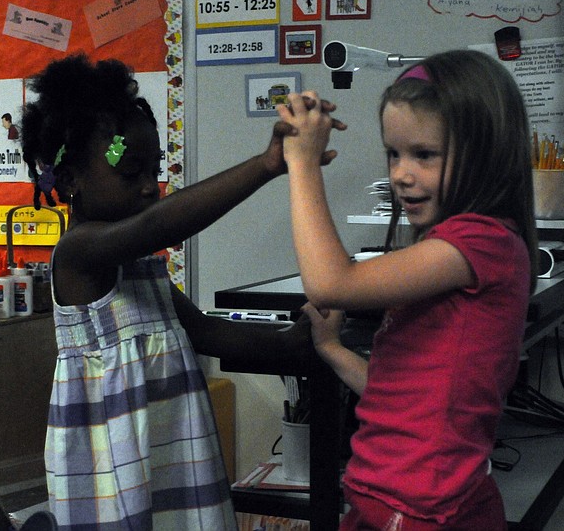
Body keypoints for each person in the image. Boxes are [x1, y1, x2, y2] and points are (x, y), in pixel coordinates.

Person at [20, 53, 345, 529]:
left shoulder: (140, 269)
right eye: (130, 172)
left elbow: (204, 333)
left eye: (154, 171)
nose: (151, 188)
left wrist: (291, 342)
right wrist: (267, 165)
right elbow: (158, 225)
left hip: (171, 463)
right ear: (70, 180)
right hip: (110, 472)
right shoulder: (79, 254)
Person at [277, 49, 538, 530]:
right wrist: (333, 349)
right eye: (394, 153)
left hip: (421, 510)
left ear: (484, 155)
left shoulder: (482, 243)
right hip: (398, 503)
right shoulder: (460, 247)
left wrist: (303, 162)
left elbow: (330, 283)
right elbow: (401, 394)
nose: (400, 173)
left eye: (424, 154)